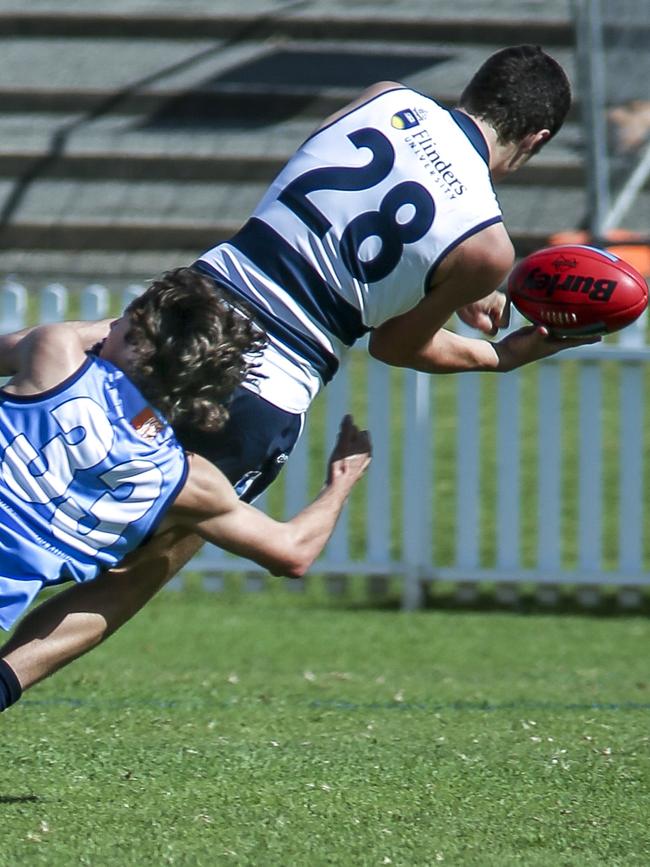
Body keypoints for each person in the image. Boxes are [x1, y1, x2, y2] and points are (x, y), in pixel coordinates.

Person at [0, 44, 598, 706]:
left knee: (48, 424)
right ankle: (9, 675)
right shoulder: (487, 246)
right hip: (266, 382)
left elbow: (323, 211)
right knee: (149, 557)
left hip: (186, 308)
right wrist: (500, 352)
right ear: (537, 138)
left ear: (477, 88)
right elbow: (400, 346)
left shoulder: (383, 96)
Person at [0, 268, 371, 711]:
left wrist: (134, 330)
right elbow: (293, 551)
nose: (110, 326)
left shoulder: (54, 356)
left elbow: (77, 339)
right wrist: (341, 481)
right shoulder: (189, 481)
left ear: (142, 339)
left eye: (124, 321)